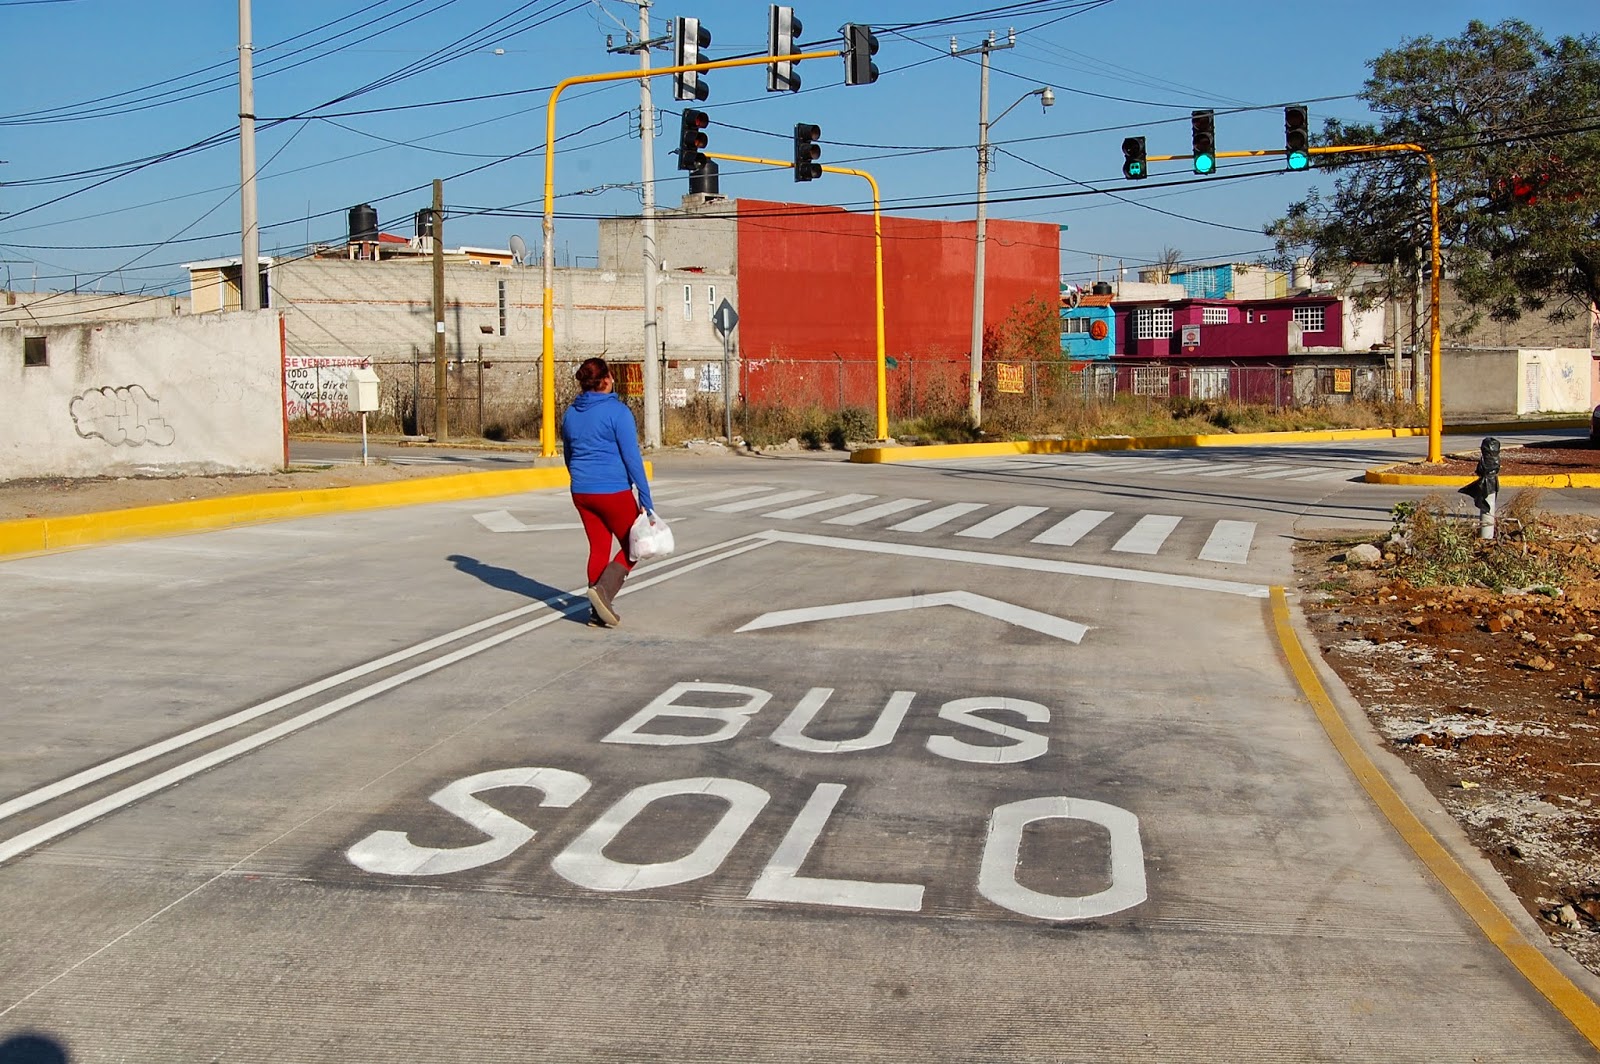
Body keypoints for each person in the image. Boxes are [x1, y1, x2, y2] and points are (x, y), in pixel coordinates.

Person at [560, 356, 653, 628]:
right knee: (636, 544)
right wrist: (646, 500)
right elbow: (632, 459)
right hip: (613, 491)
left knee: (599, 547)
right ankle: (603, 592)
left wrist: (580, 479)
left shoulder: (571, 413)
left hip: (581, 491)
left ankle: (596, 612)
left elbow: (569, 454)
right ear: (605, 380)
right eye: (610, 375)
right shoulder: (618, 412)